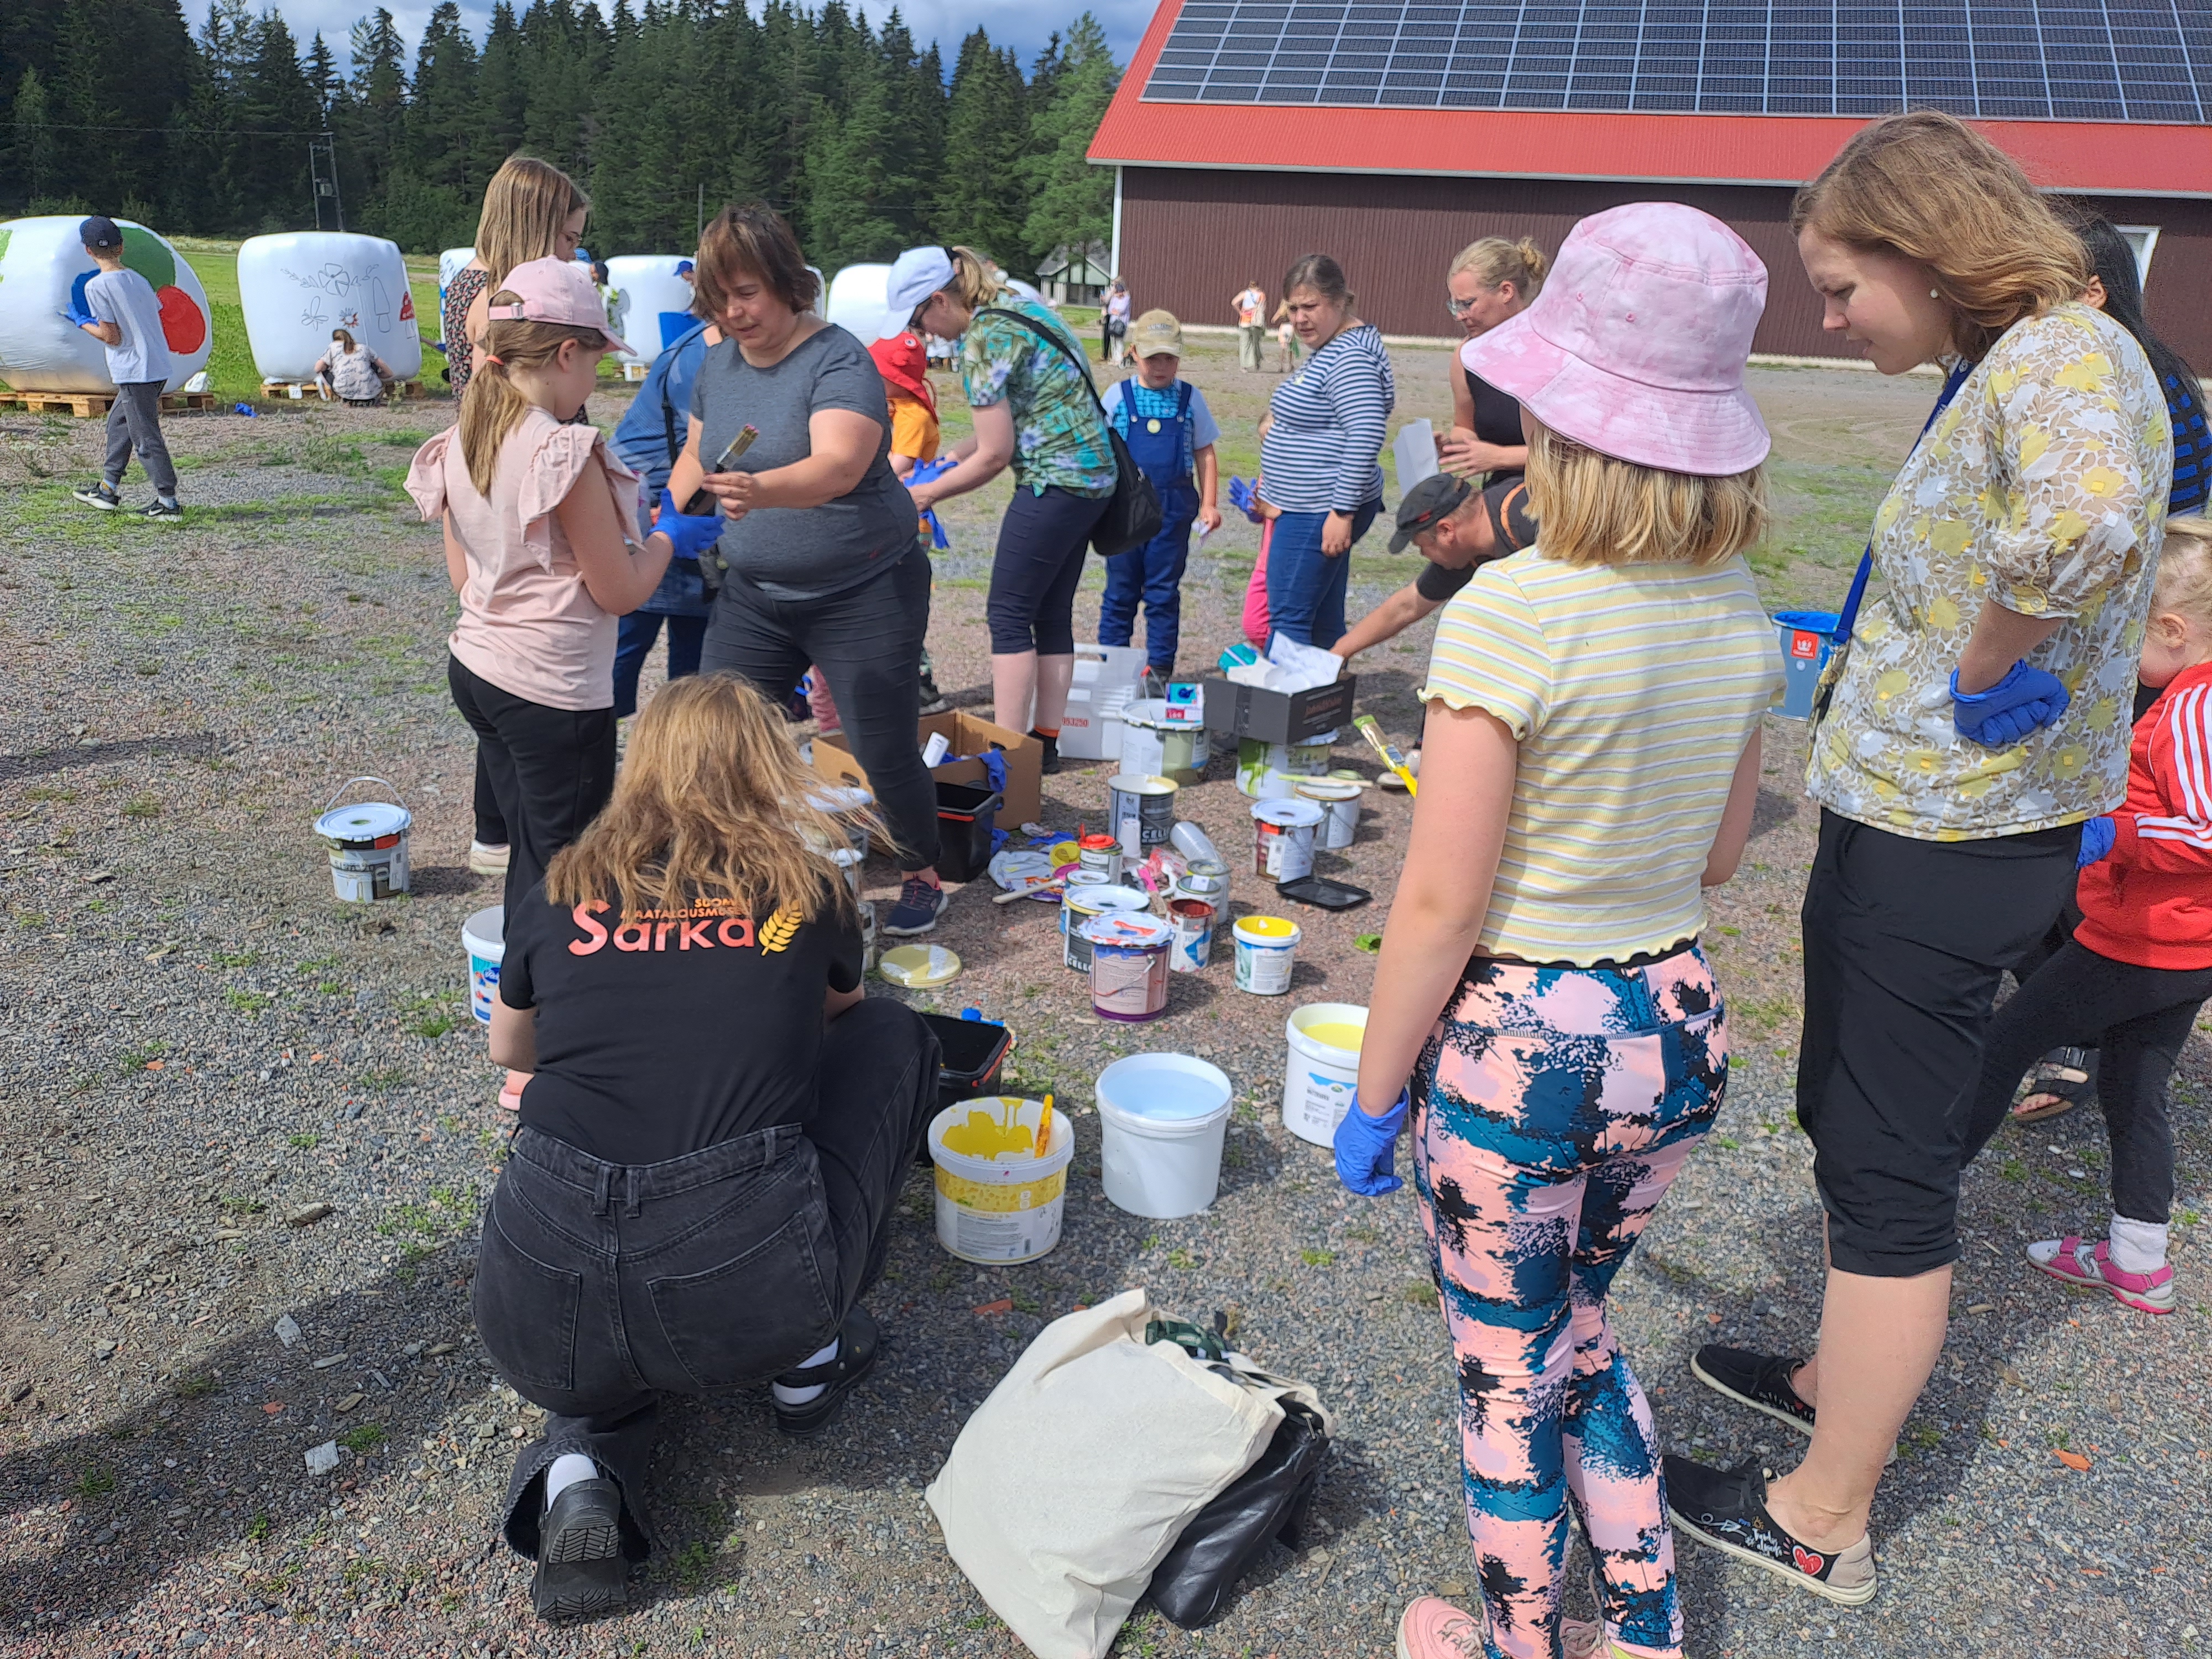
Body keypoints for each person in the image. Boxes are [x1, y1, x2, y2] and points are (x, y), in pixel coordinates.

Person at [1666, 109, 2171, 1606]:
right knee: (1858, 1118)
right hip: (1917, 820)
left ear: (1928, 251)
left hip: (1952, 837)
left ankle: (1824, 1518)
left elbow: (2083, 522)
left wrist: (1991, 651)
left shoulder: (2064, 353)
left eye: (1839, 286)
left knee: (1892, 1168)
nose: (1828, 318)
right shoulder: (2013, 361)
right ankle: (1834, 1380)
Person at [1334, 202, 1783, 1659]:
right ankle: (1641, 1632)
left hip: (1522, 1056)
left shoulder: (1513, 612)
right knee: (1579, 1332)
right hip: (1677, 1029)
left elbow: (1439, 901)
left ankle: (1517, 1643)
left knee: (1503, 1379)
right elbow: (1719, 852)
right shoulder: (1738, 609)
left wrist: (1375, 1088)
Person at [477, 672, 941, 1621]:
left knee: (591, 1328)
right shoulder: (800, 888)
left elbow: (509, 1050)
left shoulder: (565, 885)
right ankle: (808, 1362)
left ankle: (580, 1468)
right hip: (748, 1286)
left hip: (535, 1289)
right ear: (767, 770)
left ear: (640, 766)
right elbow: (843, 1018)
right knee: (895, 1036)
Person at [667, 207, 950, 936]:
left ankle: (922, 871)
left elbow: (839, 466)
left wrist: (758, 491)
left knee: (881, 744)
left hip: (864, 587)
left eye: (748, 293)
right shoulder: (718, 363)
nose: (734, 312)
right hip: (757, 593)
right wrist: (665, 519)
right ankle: (732, 866)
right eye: (719, 298)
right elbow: (698, 455)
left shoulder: (838, 359)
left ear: (788, 285)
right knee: (715, 734)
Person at [1957, 517, 2212, 1318]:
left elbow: (2204, 829)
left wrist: (2116, 835)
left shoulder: (2192, 708)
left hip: (2144, 941)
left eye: (2132, 632)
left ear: (2171, 629)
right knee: (2135, 1085)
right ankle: (2138, 1259)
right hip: (2184, 945)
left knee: (2002, 1044)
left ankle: (1902, 1205)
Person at [405, 258, 713, 922]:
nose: (594, 381)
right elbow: (621, 592)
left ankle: (517, 967)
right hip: (551, 689)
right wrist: (668, 537)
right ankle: (540, 980)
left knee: (530, 847)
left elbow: (463, 578)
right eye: (596, 363)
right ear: (567, 353)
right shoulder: (563, 452)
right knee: (567, 872)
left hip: (479, 669)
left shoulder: (463, 437)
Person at [1991, 213, 2211, 1125]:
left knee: (2061, 834)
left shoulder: (2120, 386)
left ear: (2091, 292)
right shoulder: (2133, 375)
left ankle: (2072, 1026)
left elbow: (2134, 535)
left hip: (2108, 647)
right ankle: (2076, 1016)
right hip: (2104, 642)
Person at [895, 245, 1118, 773]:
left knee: (1008, 615)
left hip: (1052, 482)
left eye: (919, 321)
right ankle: (1045, 743)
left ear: (939, 300)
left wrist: (925, 494)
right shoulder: (1021, 305)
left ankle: (1008, 756)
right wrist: (953, 457)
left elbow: (996, 455)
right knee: (1051, 613)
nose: (924, 335)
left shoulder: (982, 340)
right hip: (1093, 479)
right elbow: (1026, 409)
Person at [446, 155, 592, 878]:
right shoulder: (502, 300)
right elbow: (497, 402)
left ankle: (496, 832)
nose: (572, 255)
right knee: (533, 671)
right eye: (567, 240)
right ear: (535, 228)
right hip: (528, 491)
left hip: (488, 488)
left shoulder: (468, 285)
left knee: (499, 664)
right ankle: (532, 850)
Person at [1258, 253, 1394, 648]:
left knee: (1289, 617)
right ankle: (1329, 688)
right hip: (1312, 504)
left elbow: (1366, 433)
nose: (1300, 319)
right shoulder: (1333, 346)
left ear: (1339, 301)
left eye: (1310, 307)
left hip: (1319, 506)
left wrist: (1341, 512)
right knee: (1321, 616)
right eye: (1293, 308)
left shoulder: (1351, 357)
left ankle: (1286, 688)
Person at [608, 309, 724, 722]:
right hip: (657, 511)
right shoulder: (703, 360)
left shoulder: (709, 345)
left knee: (690, 652)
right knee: (628, 640)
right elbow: (712, 449)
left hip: (677, 511)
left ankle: (680, 739)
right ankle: (595, 737)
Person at [1096, 309, 1223, 683]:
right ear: (1134, 353)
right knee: (1120, 591)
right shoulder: (1117, 397)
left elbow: (1205, 452)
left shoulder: (1191, 399)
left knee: (1163, 592)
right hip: (1125, 513)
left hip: (1173, 511)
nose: (1161, 367)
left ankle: (1160, 669)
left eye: (1169, 358)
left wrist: (1209, 504)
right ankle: (1113, 667)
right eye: (1153, 358)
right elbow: (1099, 450)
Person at [1327, 471, 1537, 666]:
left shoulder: (1531, 521)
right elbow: (1406, 607)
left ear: (1446, 531)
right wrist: (1338, 653)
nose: (1423, 554)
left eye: (1421, 546)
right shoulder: (1467, 548)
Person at [66, 215, 180, 522]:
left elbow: (112, 337)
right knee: (119, 423)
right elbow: (152, 313)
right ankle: (108, 488)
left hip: (134, 370)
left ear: (88, 251)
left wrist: (82, 323)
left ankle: (168, 501)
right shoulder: (138, 279)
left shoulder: (96, 286)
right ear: (122, 247)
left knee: (144, 436)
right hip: (155, 365)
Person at [865, 327, 952, 714]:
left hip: (909, 523)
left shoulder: (914, 416)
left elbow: (896, 466)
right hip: (887, 517)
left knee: (898, 604)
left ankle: (922, 687)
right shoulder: (893, 409)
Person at [1440, 236, 1545, 485]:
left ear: (1506, 292)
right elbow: (1465, 427)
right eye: (1454, 306)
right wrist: (1451, 446)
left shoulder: (1552, 350)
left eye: (1468, 304)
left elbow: (1575, 451)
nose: (1459, 316)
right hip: (1499, 494)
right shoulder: (1466, 356)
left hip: (1556, 495)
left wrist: (1501, 457)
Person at [311, 327, 397, 406]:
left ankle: (340, 398)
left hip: (344, 393)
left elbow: (317, 368)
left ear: (335, 339)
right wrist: (377, 376)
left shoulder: (333, 347)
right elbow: (389, 373)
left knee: (326, 370)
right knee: (370, 363)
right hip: (371, 393)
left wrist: (327, 367)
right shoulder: (364, 347)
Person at [1232, 279, 1267, 372]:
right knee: (1256, 343)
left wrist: (1240, 312)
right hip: (1256, 322)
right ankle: (1257, 362)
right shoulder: (1262, 295)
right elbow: (1263, 309)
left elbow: (1234, 303)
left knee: (1244, 344)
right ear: (1258, 286)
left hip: (1245, 321)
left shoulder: (1244, 294)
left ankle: (1243, 366)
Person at [1103, 278, 1132, 367]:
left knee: (1119, 341)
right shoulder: (1114, 299)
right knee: (1113, 341)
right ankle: (1114, 359)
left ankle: (1120, 359)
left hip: (1122, 323)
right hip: (1113, 322)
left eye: (1121, 292)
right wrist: (1115, 311)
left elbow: (1122, 309)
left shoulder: (1126, 299)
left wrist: (1117, 311)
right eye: (1118, 292)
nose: (1120, 294)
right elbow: (1110, 309)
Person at [1272, 302, 1300, 374]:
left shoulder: (1281, 310)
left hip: (1283, 327)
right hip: (1290, 327)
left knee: (1283, 348)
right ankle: (1290, 365)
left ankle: (1281, 366)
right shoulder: (1292, 309)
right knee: (1291, 348)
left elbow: (1274, 320)